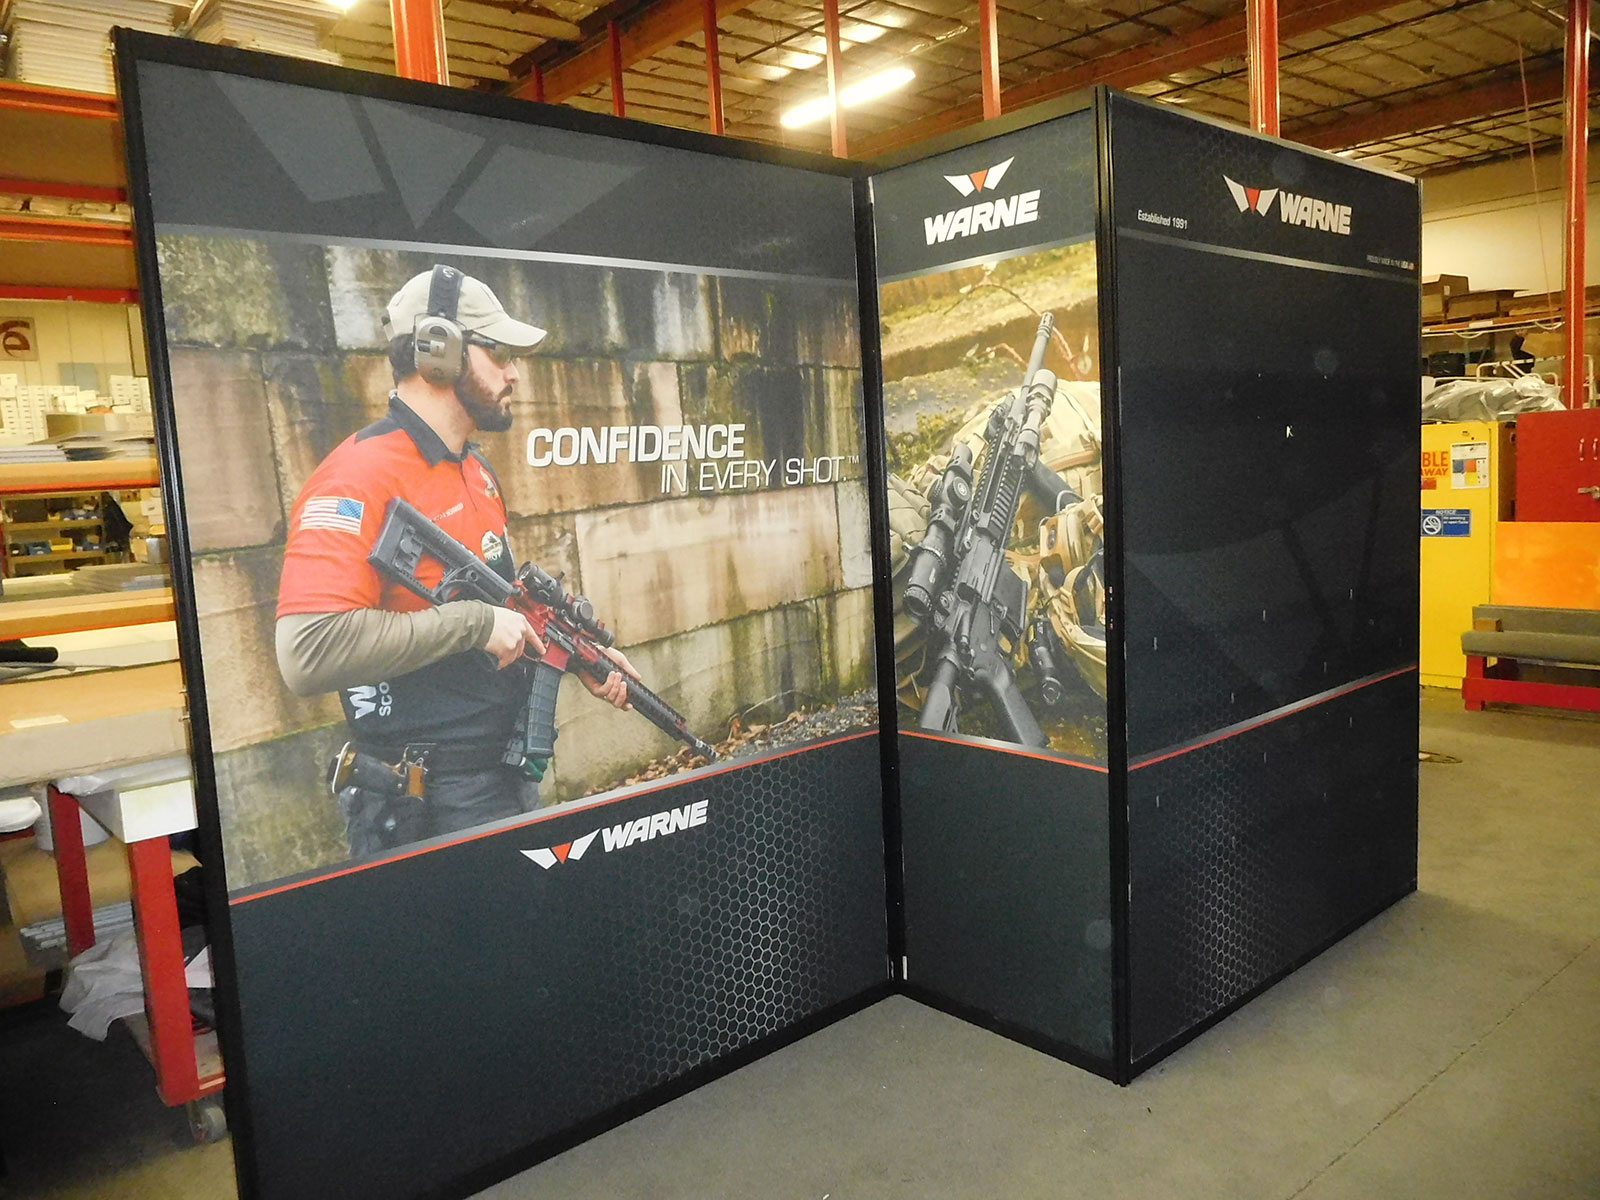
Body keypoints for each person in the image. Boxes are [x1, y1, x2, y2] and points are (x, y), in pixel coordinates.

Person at [275, 264, 635, 855]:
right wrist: (473, 623)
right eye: (499, 353)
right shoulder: (356, 476)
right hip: (424, 803)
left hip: (500, 780)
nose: (514, 373)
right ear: (438, 352)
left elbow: (505, 610)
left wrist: (578, 656)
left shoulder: (474, 468)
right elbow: (307, 652)